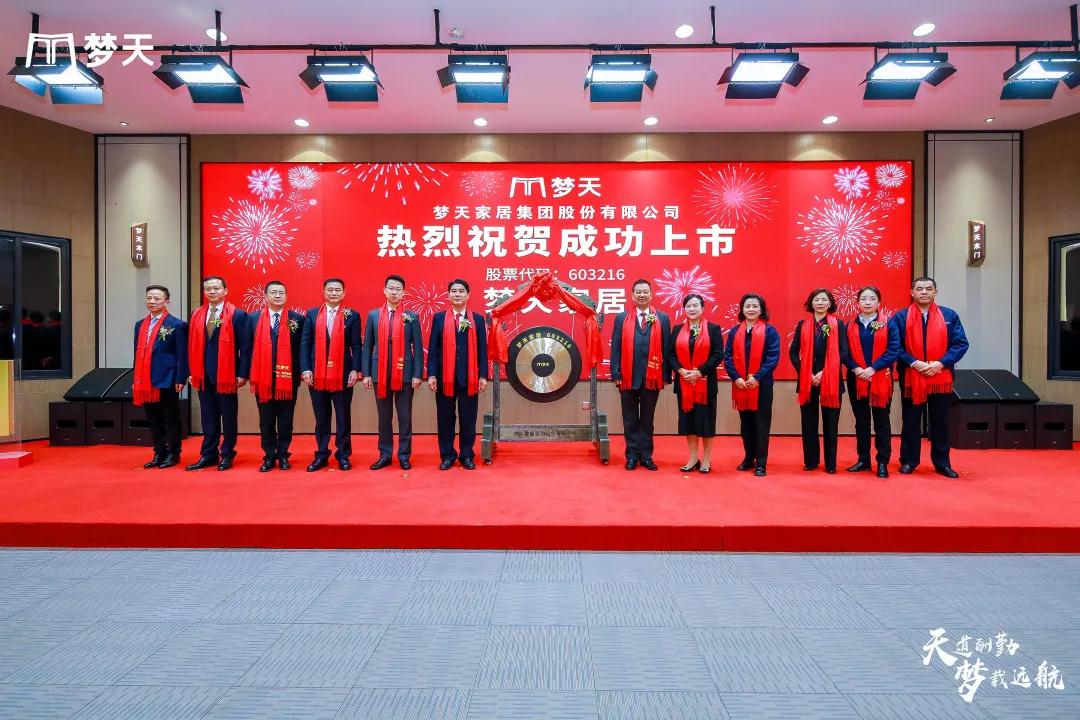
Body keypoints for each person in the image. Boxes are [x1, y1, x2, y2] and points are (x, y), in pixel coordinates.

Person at [891, 276, 970, 478]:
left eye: (928, 288)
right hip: (912, 376)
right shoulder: (900, 317)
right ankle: (909, 461)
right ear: (912, 292)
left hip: (940, 377)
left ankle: (942, 463)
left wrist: (940, 364)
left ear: (935, 292)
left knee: (941, 422)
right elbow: (894, 346)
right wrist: (914, 363)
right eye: (919, 289)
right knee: (910, 421)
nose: (924, 292)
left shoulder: (949, 315)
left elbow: (960, 344)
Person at [186, 276, 250, 471]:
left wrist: (242, 373)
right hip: (202, 375)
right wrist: (191, 372)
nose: (212, 292)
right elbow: (191, 345)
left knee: (228, 417)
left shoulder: (237, 315)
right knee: (208, 416)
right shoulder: (197, 314)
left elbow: (246, 348)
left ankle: (228, 454)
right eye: (208, 289)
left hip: (227, 375)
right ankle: (209, 454)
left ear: (225, 291)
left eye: (216, 288)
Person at [362, 274, 424, 471]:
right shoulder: (373, 316)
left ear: (403, 293)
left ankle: (404, 455)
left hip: (405, 374)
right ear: (384, 290)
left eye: (398, 289)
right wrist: (366, 373)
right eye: (391, 288)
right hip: (379, 374)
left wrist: (417, 374)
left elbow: (417, 347)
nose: (394, 292)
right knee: (384, 417)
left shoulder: (411, 317)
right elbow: (367, 346)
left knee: (404, 417)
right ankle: (385, 454)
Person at [609, 279, 671, 471]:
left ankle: (646, 456)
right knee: (629, 420)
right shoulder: (621, 318)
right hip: (627, 378)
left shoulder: (662, 318)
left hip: (652, 378)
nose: (642, 295)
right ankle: (631, 456)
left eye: (645, 292)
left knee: (647, 420)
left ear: (651, 295)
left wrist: (665, 376)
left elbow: (667, 349)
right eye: (638, 292)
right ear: (632, 295)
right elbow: (616, 347)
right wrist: (616, 374)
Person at [427, 279, 489, 470]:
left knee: (468, 420)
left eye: (461, 291)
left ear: (468, 295)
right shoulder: (439, 318)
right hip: (444, 378)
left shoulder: (477, 319)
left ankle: (466, 455)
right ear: (448, 295)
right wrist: (431, 374)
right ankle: (447, 456)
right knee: (445, 419)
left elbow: (483, 350)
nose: (457, 294)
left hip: (469, 378)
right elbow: (433, 349)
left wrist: (483, 375)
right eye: (454, 291)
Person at [301, 278, 362, 472]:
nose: (333, 293)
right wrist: (305, 369)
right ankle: (321, 454)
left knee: (343, 416)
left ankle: (343, 455)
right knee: (321, 417)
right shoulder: (312, 314)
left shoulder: (352, 315)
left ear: (343, 293)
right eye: (330, 290)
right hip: (316, 373)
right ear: (323, 292)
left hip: (343, 373)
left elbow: (356, 345)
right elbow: (305, 343)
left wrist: (355, 369)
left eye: (337, 290)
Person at [789, 288, 850, 474]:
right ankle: (811, 461)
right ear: (811, 303)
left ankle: (831, 464)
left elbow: (844, 352)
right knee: (808, 423)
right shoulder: (802, 325)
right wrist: (805, 373)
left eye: (824, 300)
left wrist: (825, 373)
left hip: (831, 380)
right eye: (817, 300)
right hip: (807, 381)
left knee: (831, 425)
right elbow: (793, 352)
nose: (820, 303)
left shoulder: (838, 324)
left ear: (830, 303)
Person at [248, 280, 306, 472]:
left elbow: (303, 348)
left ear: (286, 296)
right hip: (262, 378)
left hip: (288, 378)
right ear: (266, 296)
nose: (278, 295)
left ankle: (283, 454)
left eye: (281, 292)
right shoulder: (253, 319)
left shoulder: (297, 319)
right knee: (266, 420)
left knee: (285, 420)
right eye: (273, 292)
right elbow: (247, 348)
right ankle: (269, 456)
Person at [843, 286, 901, 478]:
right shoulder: (849, 325)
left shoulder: (889, 323)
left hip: (881, 377)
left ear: (879, 302)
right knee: (861, 421)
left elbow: (894, 350)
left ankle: (882, 461)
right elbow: (844, 352)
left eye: (872, 298)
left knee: (882, 421)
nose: (867, 302)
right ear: (858, 302)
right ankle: (863, 460)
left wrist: (873, 368)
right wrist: (856, 368)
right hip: (857, 378)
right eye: (864, 299)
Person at [723, 293, 781, 477]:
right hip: (741, 385)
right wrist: (736, 378)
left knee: (761, 424)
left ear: (761, 309)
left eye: (755, 306)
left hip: (762, 385)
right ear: (742, 309)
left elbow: (773, 358)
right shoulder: (734, 331)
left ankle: (761, 463)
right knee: (746, 425)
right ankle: (749, 458)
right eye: (747, 306)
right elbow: (728, 357)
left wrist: (757, 377)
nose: (751, 309)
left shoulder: (770, 331)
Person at [665, 294, 724, 473]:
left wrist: (699, 372)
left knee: (706, 423)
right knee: (688, 422)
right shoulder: (677, 330)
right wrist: (681, 371)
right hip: (684, 384)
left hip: (706, 385)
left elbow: (718, 354)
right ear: (684, 309)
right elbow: (670, 354)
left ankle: (706, 458)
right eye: (688, 306)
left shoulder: (713, 329)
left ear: (702, 308)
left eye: (695, 305)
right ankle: (692, 457)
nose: (692, 309)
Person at [132, 285, 188, 469]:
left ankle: (173, 453)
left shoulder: (177, 325)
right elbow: (136, 354)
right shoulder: (140, 325)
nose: (152, 302)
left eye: (157, 298)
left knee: (170, 417)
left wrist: (181, 378)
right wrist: (135, 379)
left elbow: (182, 355)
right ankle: (159, 451)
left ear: (166, 301)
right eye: (149, 298)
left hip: (167, 378)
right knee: (153, 418)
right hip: (145, 379)